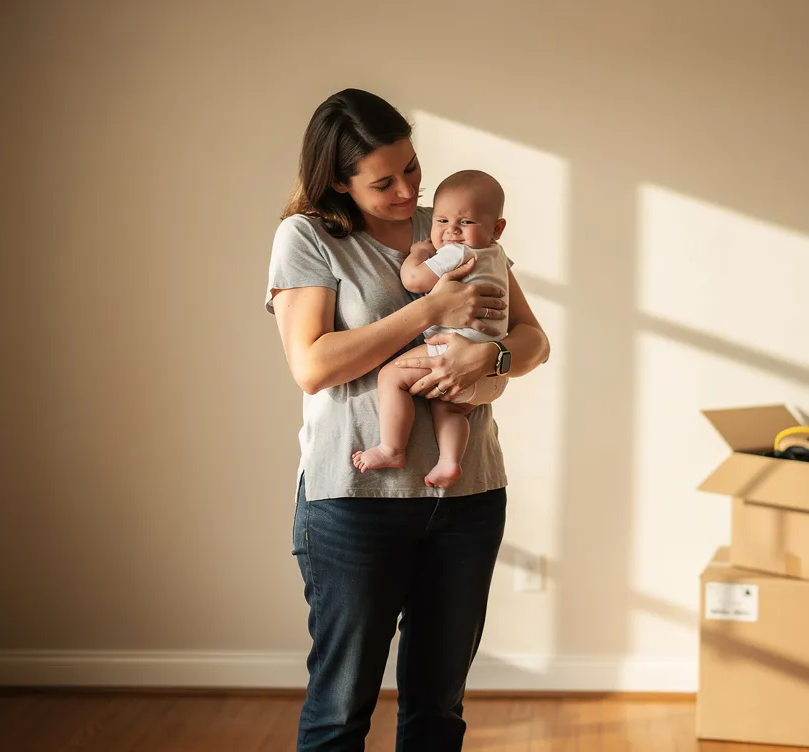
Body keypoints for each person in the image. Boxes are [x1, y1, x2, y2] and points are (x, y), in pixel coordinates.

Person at [264, 87, 550, 752]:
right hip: (356, 501)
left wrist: (491, 359)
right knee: (341, 710)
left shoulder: (453, 225)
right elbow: (312, 365)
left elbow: (535, 341)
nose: (407, 192)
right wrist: (428, 312)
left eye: (413, 168)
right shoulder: (308, 236)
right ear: (339, 179)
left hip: (466, 494)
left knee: (438, 708)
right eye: (383, 181)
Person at [352, 169, 511, 489]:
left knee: (390, 376)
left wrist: (417, 255)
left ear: (496, 228)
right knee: (448, 407)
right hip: (490, 373)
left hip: (456, 349)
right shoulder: (496, 254)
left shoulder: (457, 253)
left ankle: (391, 448)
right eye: (441, 221)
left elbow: (414, 280)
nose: (451, 230)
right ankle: (450, 461)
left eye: (465, 223)